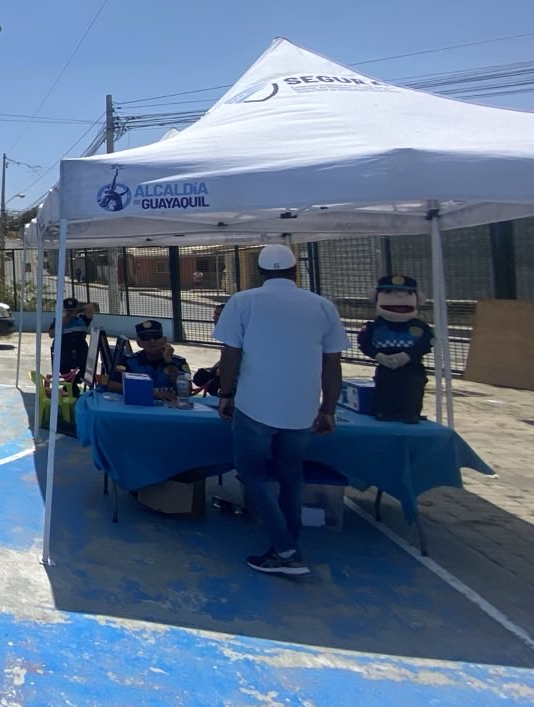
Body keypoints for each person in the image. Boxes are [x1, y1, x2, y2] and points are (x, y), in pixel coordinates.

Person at [214, 244, 348, 577]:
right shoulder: (322, 306)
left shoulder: (243, 301)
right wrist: (328, 409)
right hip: (301, 409)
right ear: (294, 270)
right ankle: (290, 542)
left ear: (260, 272)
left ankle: (285, 549)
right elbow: (332, 363)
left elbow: (230, 355)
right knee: (291, 477)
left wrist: (225, 394)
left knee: (251, 472)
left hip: (254, 405)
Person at [356, 275, 433, 423]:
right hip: (386, 367)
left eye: (408, 294)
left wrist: (408, 355)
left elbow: (426, 343)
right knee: (385, 387)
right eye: (388, 293)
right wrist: (378, 356)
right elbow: (364, 344)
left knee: (413, 388)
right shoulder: (374, 327)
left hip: (412, 366)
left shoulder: (420, 327)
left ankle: (410, 413)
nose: (399, 299)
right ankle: (384, 411)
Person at [109, 320, 190, 399]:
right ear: (139, 343)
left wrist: (169, 361)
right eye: (146, 338)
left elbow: (187, 389)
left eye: (156, 337)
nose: (152, 341)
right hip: (139, 405)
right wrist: (149, 393)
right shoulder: (129, 361)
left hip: (171, 406)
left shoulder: (179, 362)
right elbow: (112, 385)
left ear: (164, 340)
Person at [50, 297, 91, 376]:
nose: (70, 313)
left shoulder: (82, 319)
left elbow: (90, 307)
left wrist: (77, 312)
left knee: (86, 364)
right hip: (65, 349)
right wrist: (63, 322)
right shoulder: (59, 320)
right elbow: (51, 334)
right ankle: (69, 380)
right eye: (68, 310)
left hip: (80, 349)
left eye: (72, 310)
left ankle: (77, 379)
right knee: (63, 363)